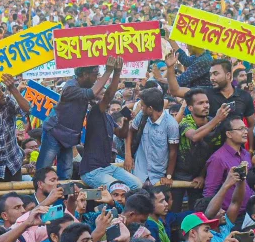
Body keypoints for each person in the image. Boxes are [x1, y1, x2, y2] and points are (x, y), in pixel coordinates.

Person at [39, 58, 116, 179]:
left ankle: (62, 197)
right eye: (95, 75)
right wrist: (108, 71)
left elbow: (95, 97)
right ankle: (40, 196)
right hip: (54, 133)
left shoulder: (82, 86)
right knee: (43, 171)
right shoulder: (70, 87)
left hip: (69, 137)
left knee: (66, 172)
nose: (96, 79)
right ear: (85, 74)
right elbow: (92, 93)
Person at [166, 55, 255, 154]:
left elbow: (251, 124)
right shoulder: (205, 93)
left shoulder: (244, 96)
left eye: (215, 74)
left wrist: (251, 149)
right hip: (210, 153)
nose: (212, 78)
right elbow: (176, 91)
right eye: (210, 75)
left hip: (237, 153)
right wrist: (170, 68)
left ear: (228, 75)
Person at [80, 56, 141, 190]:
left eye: (104, 90)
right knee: (118, 189)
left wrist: (126, 122)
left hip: (108, 167)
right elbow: (109, 96)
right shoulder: (94, 113)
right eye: (101, 91)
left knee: (137, 185)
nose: (103, 92)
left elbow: (121, 134)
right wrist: (116, 72)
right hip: (92, 171)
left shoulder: (108, 117)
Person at [172, 88, 229, 212]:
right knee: (174, 211)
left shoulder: (216, 123)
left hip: (201, 175)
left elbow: (214, 153)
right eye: (200, 103)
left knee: (197, 212)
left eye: (207, 102)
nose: (206, 106)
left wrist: (202, 175)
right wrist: (217, 120)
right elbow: (194, 137)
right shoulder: (186, 122)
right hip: (179, 174)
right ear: (190, 108)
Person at [124, 88, 179, 186]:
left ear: (150, 108)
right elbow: (130, 131)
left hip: (158, 178)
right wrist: (128, 155)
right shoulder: (142, 116)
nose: (140, 108)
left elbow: (173, 152)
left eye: (142, 105)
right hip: (139, 173)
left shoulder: (171, 124)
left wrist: (169, 176)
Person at [204, 115, 254, 211]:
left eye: (245, 128)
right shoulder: (218, 158)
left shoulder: (246, 154)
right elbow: (209, 192)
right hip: (231, 215)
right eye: (241, 129)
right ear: (229, 134)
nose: (245, 132)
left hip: (249, 211)